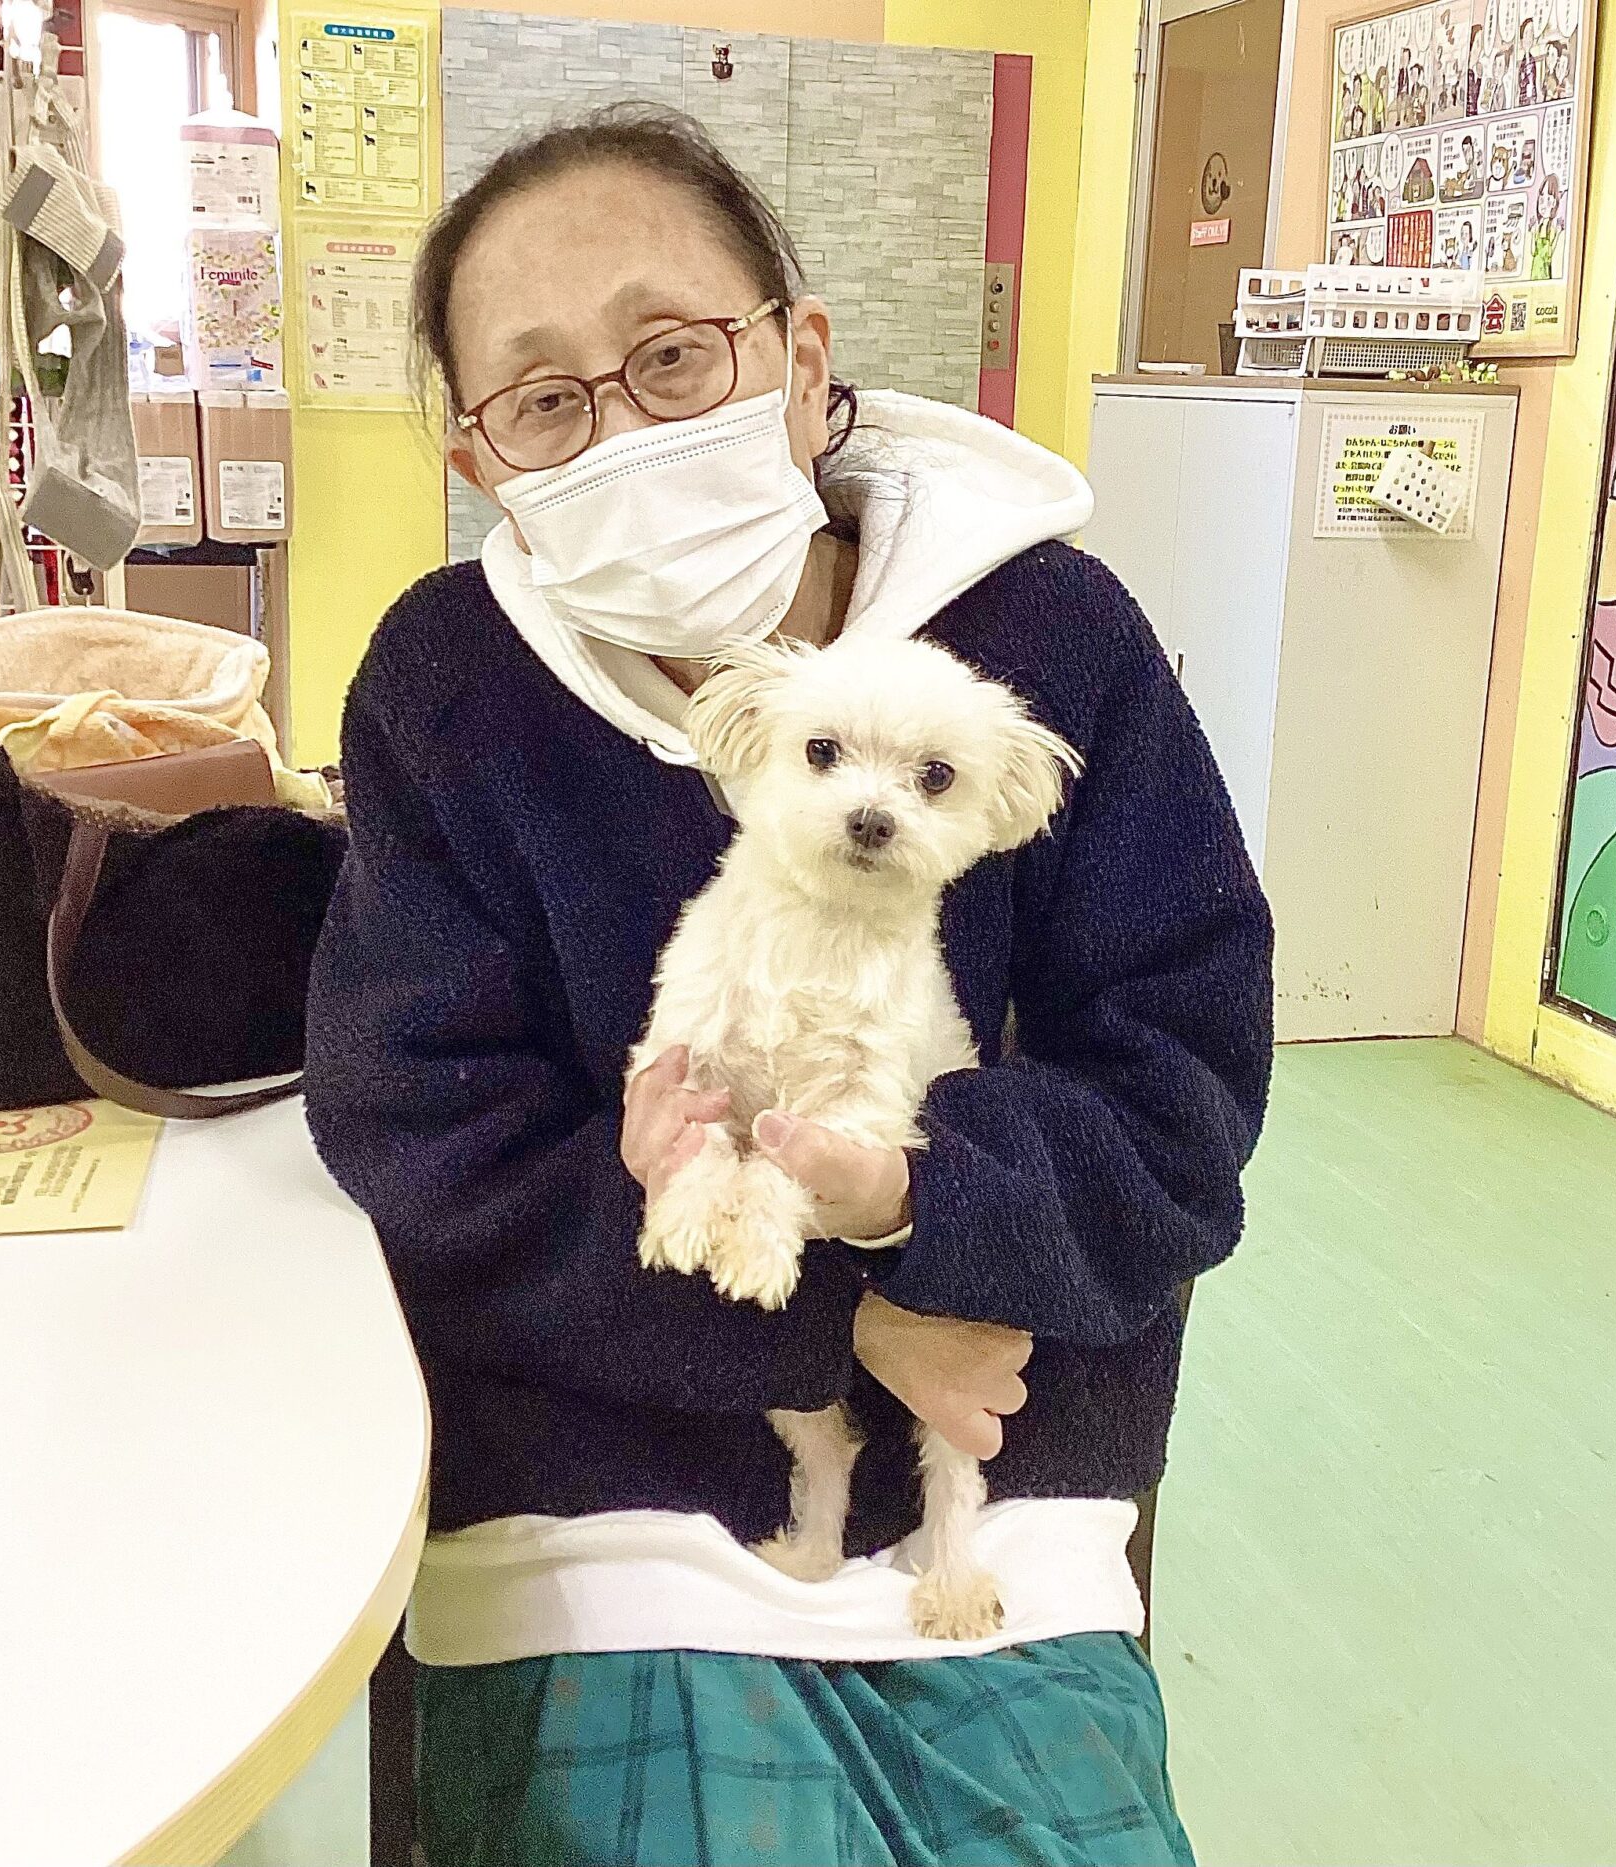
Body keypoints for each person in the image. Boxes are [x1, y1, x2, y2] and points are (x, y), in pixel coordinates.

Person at [305, 104, 1273, 1867]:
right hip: (598, 1501)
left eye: (672, 356)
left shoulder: (1055, 641)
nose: (621, 430)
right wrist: (835, 1317)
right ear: (479, 459)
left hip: (1000, 1469)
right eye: (543, 401)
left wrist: (922, 1213)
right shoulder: (449, 685)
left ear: (800, 356)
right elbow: (426, 1141)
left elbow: (1178, 1095)